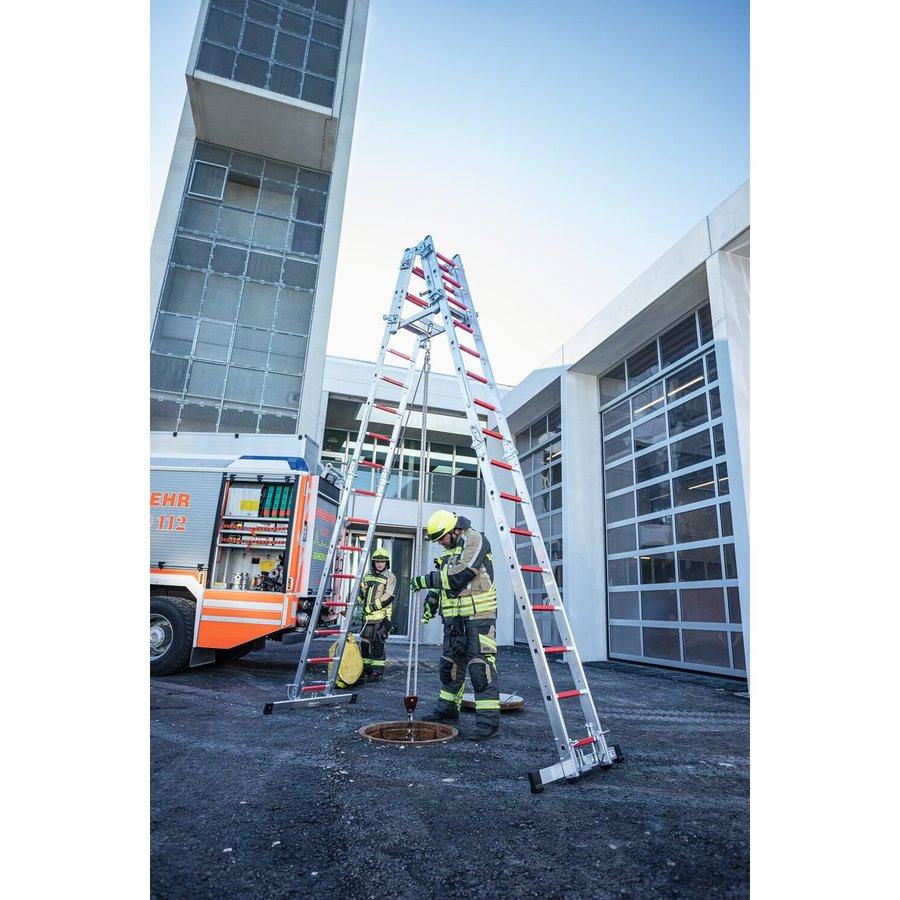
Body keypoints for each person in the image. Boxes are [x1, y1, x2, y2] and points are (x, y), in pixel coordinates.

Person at [410, 510, 500, 740]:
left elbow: (461, 575)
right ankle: (448, 711)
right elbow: (444, 580)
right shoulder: (449, 550)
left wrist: (425, 580)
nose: (440, 543)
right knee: (449, 666)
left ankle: (488, 724)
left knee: (480, 668)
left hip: (479, 616)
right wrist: (432, 600)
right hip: (454, 620)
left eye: (442, 538)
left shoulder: (475, 539)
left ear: (454, 530)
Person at [356, 548, 396, 683]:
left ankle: (377, 672)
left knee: (378, 645)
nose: (380, 564)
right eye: (377, 561)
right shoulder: (367, 575)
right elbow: (360, 593)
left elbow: (388, 597)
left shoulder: (390, 577)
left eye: (382, 561)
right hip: (367, 618)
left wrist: (371, 607)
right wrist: (351, 604)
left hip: (381, 618)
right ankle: (366, 669)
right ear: (374, 562)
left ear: (386, 563)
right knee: (365, 645)